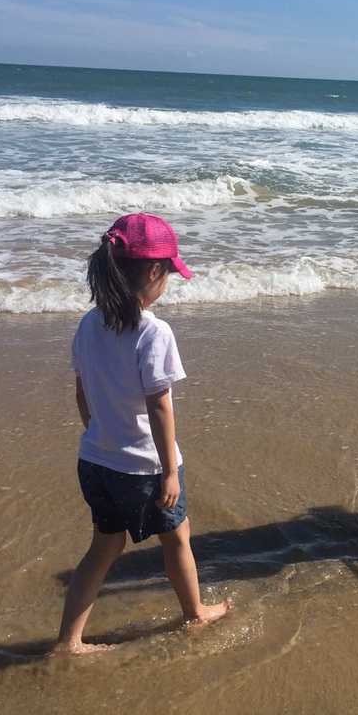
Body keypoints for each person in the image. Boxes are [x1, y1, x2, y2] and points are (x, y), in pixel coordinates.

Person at [52, 212, 229, 655]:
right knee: (178, 536)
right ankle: (194, 612)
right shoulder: (153, 332)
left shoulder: (88, 323)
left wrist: (98, 435)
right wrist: (169, 471)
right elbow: (159, 404)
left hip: (95, 460)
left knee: (103, 547)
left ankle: (69, 640)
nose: (167, 281)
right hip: (144, 468)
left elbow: (81, 390)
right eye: (168, 273)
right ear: (153, 272)